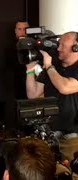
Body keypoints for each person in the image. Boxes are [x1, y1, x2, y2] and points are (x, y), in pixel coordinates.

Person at [26, 31, 78, 162]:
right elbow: (33, 94)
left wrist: (49, 66)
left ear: (76, 47)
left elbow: (65, 87)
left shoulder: (51, 67)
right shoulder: (54, 65)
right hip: (50, 132)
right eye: (58, 44)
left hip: (74, 134)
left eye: (63, 46)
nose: (58, 48)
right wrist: (30, 70)